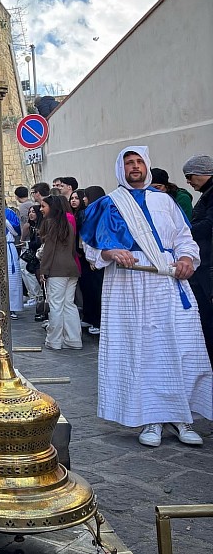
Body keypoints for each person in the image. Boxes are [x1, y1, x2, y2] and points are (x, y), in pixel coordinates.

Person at [80, 147, 212, 447]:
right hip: (128, 284)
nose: (135, 166)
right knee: (141, 349)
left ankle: (181, 418)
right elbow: (91, 247)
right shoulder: (108, 204)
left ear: (147, 166)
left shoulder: (165, 201)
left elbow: (184, 238)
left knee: (182, 345)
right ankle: (150, 417)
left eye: (139, 161)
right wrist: (110, 252)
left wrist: (187, 259)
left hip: (167, 280)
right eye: (129, 162)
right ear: (121, 168)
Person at [38, 194, 82, 350]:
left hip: (57, 269)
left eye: (44, 206)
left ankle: (54, 340)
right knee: (69, 304)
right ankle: (74, 339)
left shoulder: (51, 224)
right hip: (71, 267)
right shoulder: (68, 223)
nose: (41, 209)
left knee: (56, 305)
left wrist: (44, 269)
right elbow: (72, 249)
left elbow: (49, 250)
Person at [182, 155, 213, 365]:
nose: (188, 181)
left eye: (190, 176)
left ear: (203, 173)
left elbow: (209, 225)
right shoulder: (206, 194)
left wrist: (184, 233)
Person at [78, 186, 106, 336]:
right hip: (90, 258)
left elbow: (94, 238)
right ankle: (91, 317)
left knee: (98, 291)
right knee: (89, 289)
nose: (83, 199)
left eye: (86, 196)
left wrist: (94, 258)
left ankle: (99, 322)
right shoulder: (90, 212)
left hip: (99, 257)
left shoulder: (99, 213)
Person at [5, 207, 24, 318]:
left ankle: (12, 307)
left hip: (8, 247)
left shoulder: (8, 212)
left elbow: (17, 231)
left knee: (12, 279)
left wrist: (4, 220)